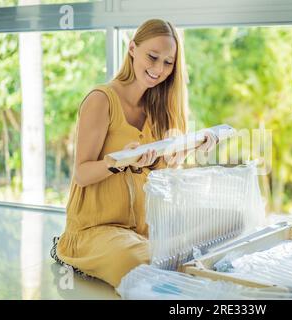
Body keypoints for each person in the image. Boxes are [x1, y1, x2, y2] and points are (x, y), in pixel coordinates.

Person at [53, 19, 218, 289]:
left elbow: (156, 175)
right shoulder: (101, 99)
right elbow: (81, 174)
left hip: (142, 229)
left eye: (168, 63)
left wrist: (187, 151)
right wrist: (117, 162)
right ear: (132, 49)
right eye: (152, 57)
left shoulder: (156, 108)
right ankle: (175, 266)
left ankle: (177, 263)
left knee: (226, 225)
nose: (158, 69)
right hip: (95, 231)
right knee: (138, 260)